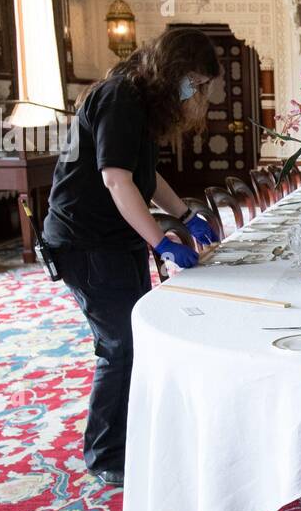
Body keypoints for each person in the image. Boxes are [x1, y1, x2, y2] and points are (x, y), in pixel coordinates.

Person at [42, 28, 223, 485]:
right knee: (119, 347)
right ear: (174, 72)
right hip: (86, 242)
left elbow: (145, 174)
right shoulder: (120, 97)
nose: (197, 94)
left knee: (136, 340)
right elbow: (117, 181)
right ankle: (105, 456)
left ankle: (132, 438)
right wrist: (160, 242)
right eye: (195, 84)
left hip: (113, 240)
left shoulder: (139, 103)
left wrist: (184, 214)